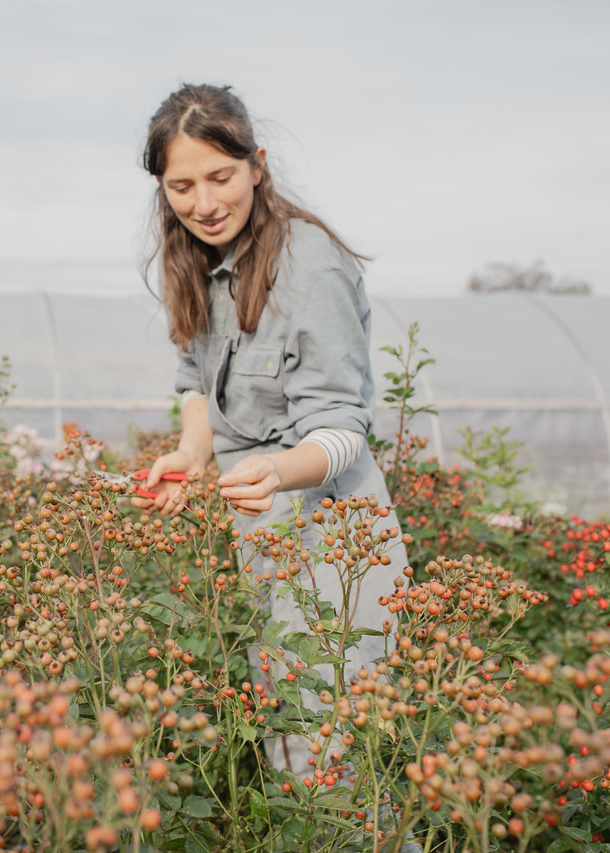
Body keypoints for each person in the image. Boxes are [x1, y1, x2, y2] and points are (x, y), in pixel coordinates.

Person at [132, 83, 409, 771]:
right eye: (183, 185)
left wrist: (279, 469)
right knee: (290, 755)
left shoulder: (308, 266)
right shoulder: (195, 260)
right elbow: (196, 381)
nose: (204, 203)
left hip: (336, 540)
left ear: (257, 164)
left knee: (335, 772)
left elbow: (345, 427)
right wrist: (193, 453)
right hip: (261, 531)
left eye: (221, 177)